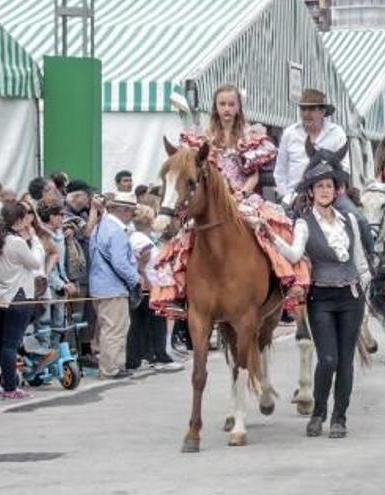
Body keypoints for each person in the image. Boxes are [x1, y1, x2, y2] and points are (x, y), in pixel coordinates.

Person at [151, 84, 310, 318]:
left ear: (238, 107)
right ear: (215, 106)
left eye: (231, 104)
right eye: (222, 104)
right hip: (212, 197)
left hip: (241, 194)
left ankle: (285, 281)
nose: (226, 109)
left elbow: (254, 173)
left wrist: (242, 193)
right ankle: (177, 291)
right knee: (181, 237)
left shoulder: (249, 135)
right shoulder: (202, 137)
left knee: (266, 228)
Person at [270, 164, 371, 439]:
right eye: (319, 187)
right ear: (311, 192)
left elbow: (360, 261)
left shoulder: (348, 220)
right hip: (322, 298)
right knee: (328, 359)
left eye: (329, 186)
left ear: (336, 190)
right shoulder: (304, 223)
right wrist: (270, 236)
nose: (325, 191)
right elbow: (293, 255)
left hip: (351, 296)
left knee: (346, 361)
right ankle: (318, 412)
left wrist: (367, 294)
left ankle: (340, 417)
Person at [273, 88, 373, 255]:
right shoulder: (290, 133)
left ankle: (371, 258)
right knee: (274, 228)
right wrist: (285, 196)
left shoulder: (337, 133)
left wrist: (331, 191)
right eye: (303, 109)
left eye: (312, 109)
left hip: (331, 194)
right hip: (295, 195)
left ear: (323, 111)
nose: (306, 113)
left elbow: (345, 170)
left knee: (359, 219)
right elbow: (279, 171)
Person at [0, 201, 45, 399]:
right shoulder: (17, 242)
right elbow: (35, 263)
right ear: (19, 219)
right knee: (10, 343)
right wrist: (35, 241)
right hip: (18, 296)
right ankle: (10, 387)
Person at [89, 191, 141, 379]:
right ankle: (111, 369)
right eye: (132, 212)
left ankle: (114, 366)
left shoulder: (99, 227)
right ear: (124, 211)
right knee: (115, 329)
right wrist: (135, 278)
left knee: (106, 328)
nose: (132, 216)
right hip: (113, 287)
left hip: (98, 285)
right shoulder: (116, 231)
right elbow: (120, 263)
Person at [127, 205, 182, 372]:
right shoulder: (142, 241)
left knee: (143, 323)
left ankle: (145, 356)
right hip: (149, 285)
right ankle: (158, 356)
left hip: (150, 284)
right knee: (154, 322)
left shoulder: (140, 238)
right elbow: (141, 265)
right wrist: (149, 284)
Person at [36, 199, 76, 330]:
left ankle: (56, 349)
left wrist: (65, 282)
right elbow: (46, 266)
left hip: (61, 286)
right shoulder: (41, 236)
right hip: (45, 287)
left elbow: (61, 265)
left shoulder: (60, 234)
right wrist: (61, 284)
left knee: (59, 326)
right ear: (52, 217)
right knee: (44, 324)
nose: (63, 218)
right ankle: (46, 350)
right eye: (61, 215)